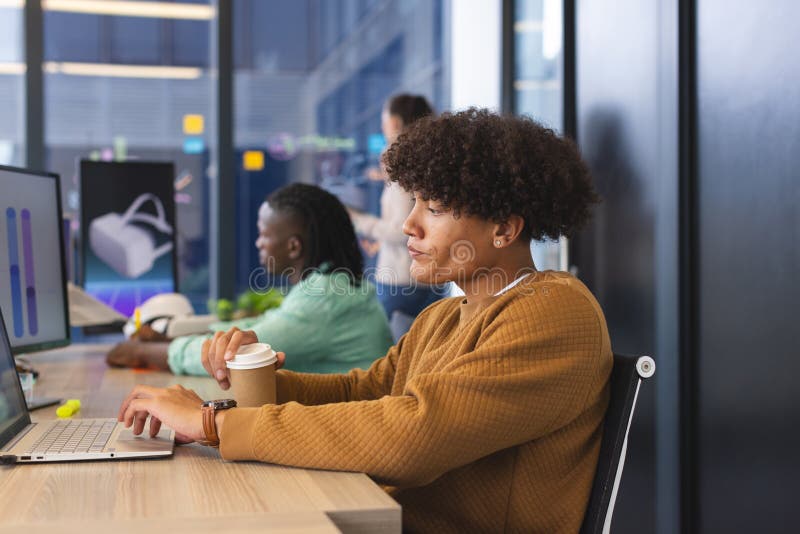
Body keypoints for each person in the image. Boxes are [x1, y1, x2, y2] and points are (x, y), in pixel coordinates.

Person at [117, 109, 612, 533]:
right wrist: (253, 377)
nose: (408, 225)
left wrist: (213, 423)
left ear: (504, 228)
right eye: (414, 201)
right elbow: (365, 393)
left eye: (433, 208)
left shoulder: (554, 312)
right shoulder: (445, 314)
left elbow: (415, 434)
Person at [106, 183, 393, 376]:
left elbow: (236, 354)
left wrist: (140, 351)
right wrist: (173, 336)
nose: (258, 244)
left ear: (294, 247)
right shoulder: (333, 287)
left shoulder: (325, 298)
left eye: (263, 234)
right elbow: (256, 328)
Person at [350, 94, 442, 327]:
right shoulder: (431, 163)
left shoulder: (405, 168)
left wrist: (357, 220)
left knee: (398, 357)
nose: (382, 127)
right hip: (428, 279)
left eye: (385, 121)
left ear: (397, 123)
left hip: (401, 281)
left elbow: (401, 230)